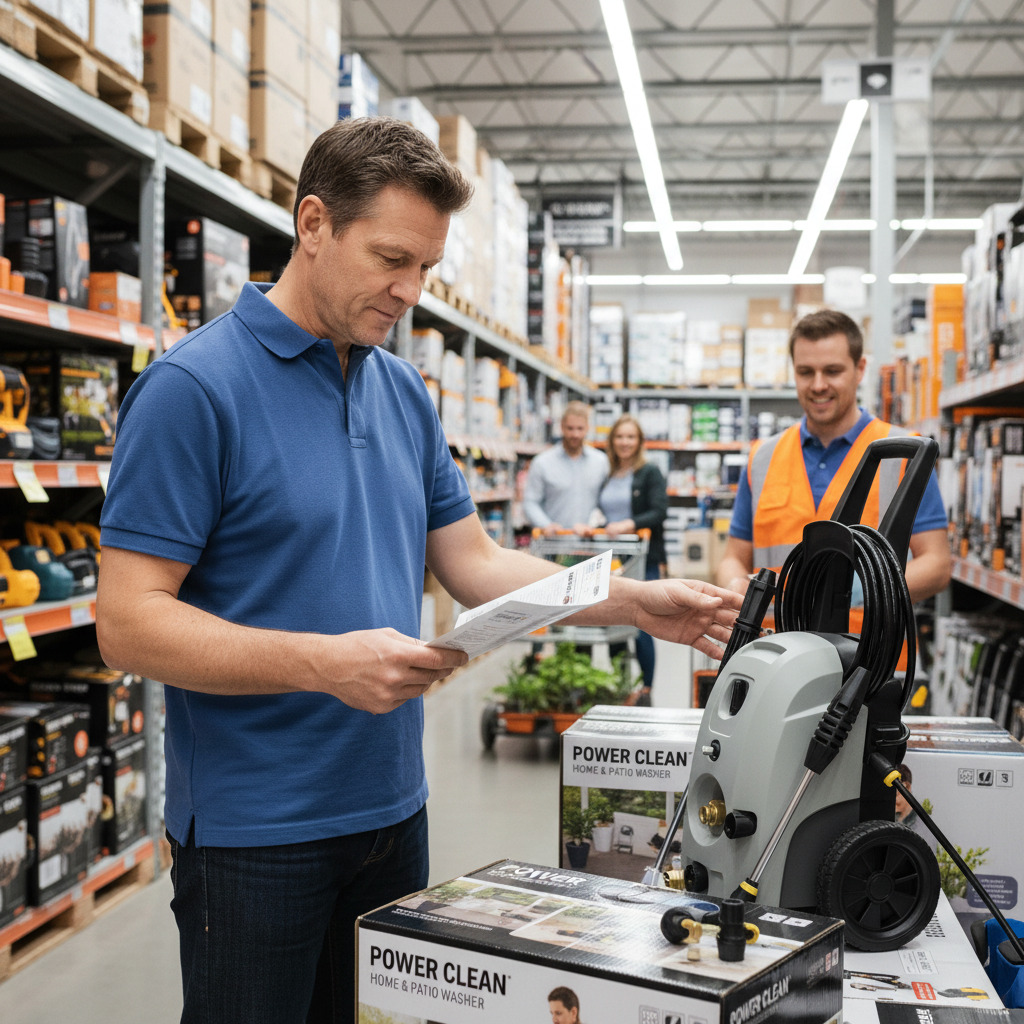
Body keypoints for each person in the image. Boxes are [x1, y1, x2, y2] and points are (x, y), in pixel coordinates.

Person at [95, 115, 742, 1024]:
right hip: (256, 832)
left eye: (428, 268)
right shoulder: (194, 392)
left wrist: (631, 601)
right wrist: (323, 664)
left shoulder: (402, 390)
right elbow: (128, 620)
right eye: (392, 258)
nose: (411, 290)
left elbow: (472, 562)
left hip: (391, 810)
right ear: (313, 224)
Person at [716, 308, 951, 610]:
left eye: (832, 371)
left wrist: (855, 592)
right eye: (805, 372)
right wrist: (735, 586)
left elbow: (936, 565)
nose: (817, 385)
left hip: (869, 651)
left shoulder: (904, 453)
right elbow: (734, 557)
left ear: (860, 368)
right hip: (774, 649)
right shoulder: (762, 457)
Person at [590, 413, 668, 699]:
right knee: (615, 620)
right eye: (620, 437)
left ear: (639, 442)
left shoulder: (649, 472)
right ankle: (621, 685)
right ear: (612, 441)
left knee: (644, 622)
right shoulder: (607, 474)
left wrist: (628, 524)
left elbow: (659, 511)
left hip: (641, 557)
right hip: (612, 559)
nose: (625, 442)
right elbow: (603, 512)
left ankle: (646, 688)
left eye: (630, 437)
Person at [523, 401, 608, 537]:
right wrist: (546, 525)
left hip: (590, 544)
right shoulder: (542, 462)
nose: (575, 434)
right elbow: (530, 502)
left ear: (588, 428)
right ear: (562, 427)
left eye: (580, 429)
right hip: (554, 545)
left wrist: (596, 523)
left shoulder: (601, 461)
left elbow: (606, 501)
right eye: (570, 428)